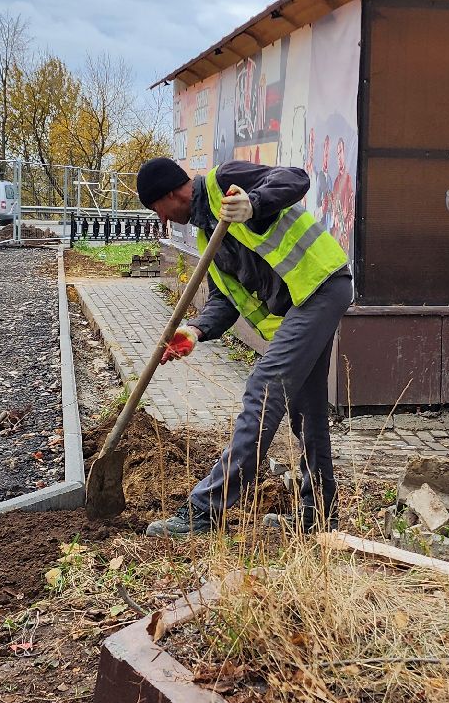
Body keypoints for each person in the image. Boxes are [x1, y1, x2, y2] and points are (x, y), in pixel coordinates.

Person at [134, 156, 352, 537]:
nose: (162, 220)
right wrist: (196, 331)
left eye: (158, 209)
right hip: (299, 305)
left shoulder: (226, 182)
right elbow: (224, 300)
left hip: (319, 286)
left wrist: (254, 202)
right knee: (307, 411)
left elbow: (294, 178)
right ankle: (319, 514)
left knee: (264, 389)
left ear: (173, 192)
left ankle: (206, 509)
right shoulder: (208, 237)